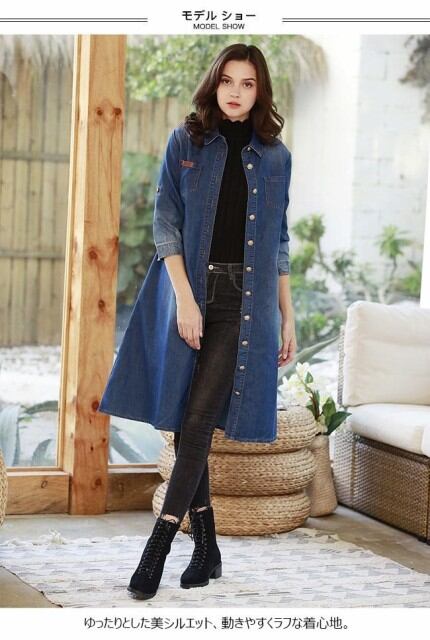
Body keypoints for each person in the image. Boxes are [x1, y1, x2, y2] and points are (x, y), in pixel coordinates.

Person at [103, 43, 297, 600]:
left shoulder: (276, 157)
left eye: (248, 83)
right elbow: (166, 224)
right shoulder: (185, 142)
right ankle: (207, 546)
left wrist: (287, 316)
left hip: (244, 300)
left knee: (199, 416)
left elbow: (279, 241)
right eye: (228, 81)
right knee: (186, 421)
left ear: (260, 92)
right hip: (188, 292)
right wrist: (186, 301)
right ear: (215, 84)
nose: (236, 92)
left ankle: (158, 546)